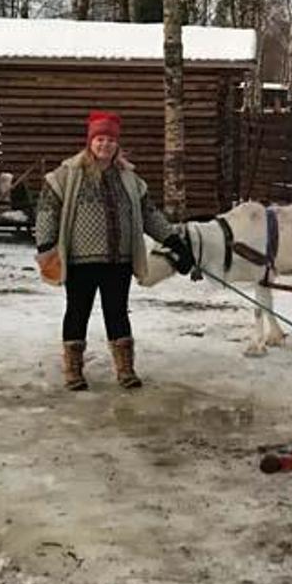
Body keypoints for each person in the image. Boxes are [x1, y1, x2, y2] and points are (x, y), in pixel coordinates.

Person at [34, 110, 187, 391]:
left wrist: (173, 240)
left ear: (117, 144)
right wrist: (46, 245)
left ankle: (125, 369)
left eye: (110, 140)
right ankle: (73, 370)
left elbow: (149, 214)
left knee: (117, 312)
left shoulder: (129, 178)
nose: (105, 145)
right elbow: (47, 211)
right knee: (77, 311)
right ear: (90, 141)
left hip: (119, 260)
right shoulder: (67, 174)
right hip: (81, 260)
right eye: (99, 139)